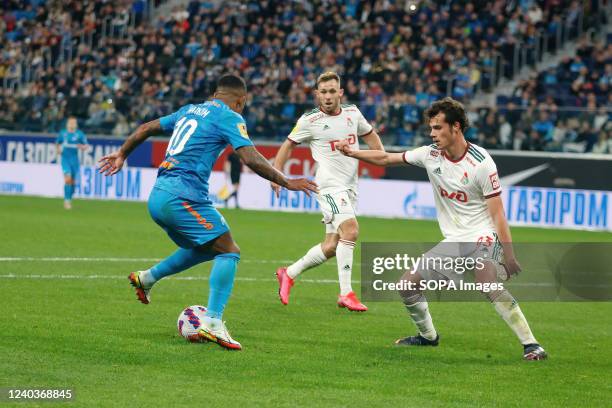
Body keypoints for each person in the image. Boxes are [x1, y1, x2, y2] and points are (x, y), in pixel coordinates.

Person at [98, 74, 317, 350]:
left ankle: (147, 278)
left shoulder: (189, 109)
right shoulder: (229, 116)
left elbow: (146, 127)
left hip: (159, 195)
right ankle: (213, 323)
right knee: (229, 250)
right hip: (183, 196)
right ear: (242, 100)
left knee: (208, 247)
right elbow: (249, 156)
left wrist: (122, 154)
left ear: (215, 92)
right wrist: (285, 180)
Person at [336, 97, 547, 360]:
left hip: (482, 234)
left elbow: (498, 214)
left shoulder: (482, 163)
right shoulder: (430, 155)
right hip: (455, 240)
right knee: (407, 286)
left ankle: (532, 344)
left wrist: (510, 255)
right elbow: (386, 158)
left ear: (456, 127)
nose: (432, 134)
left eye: (437, 128)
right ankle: (428, 337)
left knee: (486, 282)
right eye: (431, 128)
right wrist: (353, 152)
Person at [272, 71, 384, 312]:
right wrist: (278, 175)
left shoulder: (353, 114)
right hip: (329, 185)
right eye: (323, 92)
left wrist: (379, 156)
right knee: (351, 230)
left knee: (332, 246)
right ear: (316, 95)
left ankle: (288, 273)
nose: (328, 96)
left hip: (350, 186)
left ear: (340, 93)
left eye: (332, 91)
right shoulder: (309, 120)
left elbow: (372, 137)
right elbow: (288, 145)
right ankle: (346, 294)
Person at [55, 117, 88, 209]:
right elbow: (57, 143)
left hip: (74, 160)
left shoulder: (79, 134)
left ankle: (70, 196)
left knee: (72, 182)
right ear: (67, 124)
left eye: (74, 123)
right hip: (65, 159)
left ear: (76, 124)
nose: (72, 124)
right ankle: (67, 201)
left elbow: (86, 146)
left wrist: (81, 146)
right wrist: (58, 150)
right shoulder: (63, 133)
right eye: (70, 123)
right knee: (67, 179)